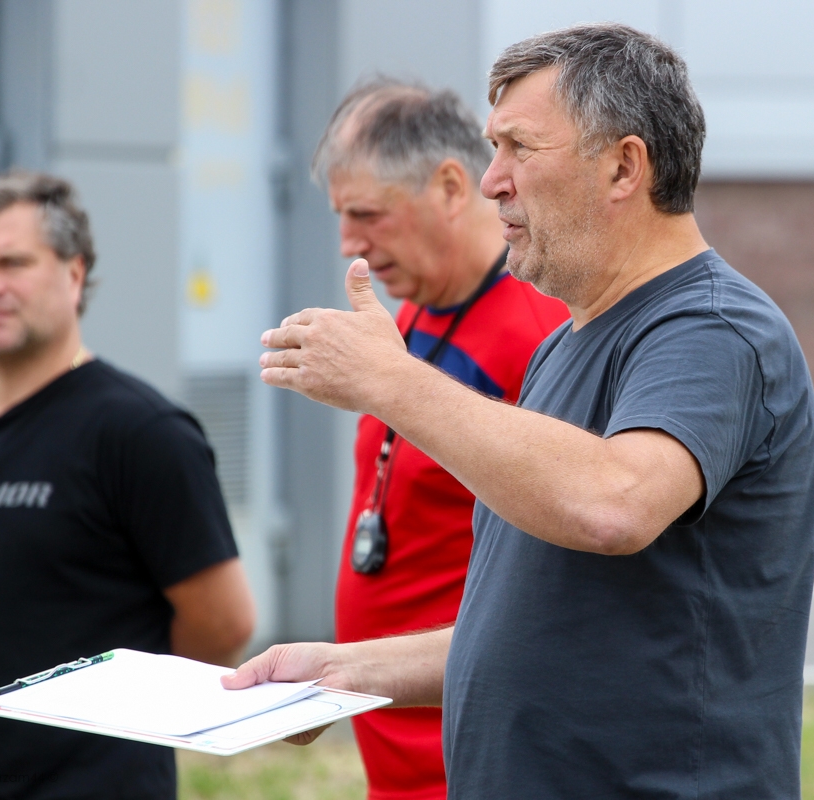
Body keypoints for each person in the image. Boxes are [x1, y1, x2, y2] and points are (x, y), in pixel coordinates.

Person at [232, 23, 814, 800]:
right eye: (492, 148)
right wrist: (341, 671)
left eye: (518, 149)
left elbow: (616, 504)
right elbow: (522, 632)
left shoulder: (712, 330)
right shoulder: (567, 344)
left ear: (624, 166)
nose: (491, 181)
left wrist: (392, 382)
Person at [0, 171, 256, 800]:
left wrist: (112, 719)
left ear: (73, 273)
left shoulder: (139, 431)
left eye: (11, 262)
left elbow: (223, 624)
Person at [314, 79, 568, 798]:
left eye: (367, 214)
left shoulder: (537, 334)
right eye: (340, 217)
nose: (348, 244)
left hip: (475, 760)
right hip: (395, 753)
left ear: (453, 187)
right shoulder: (413, 316)